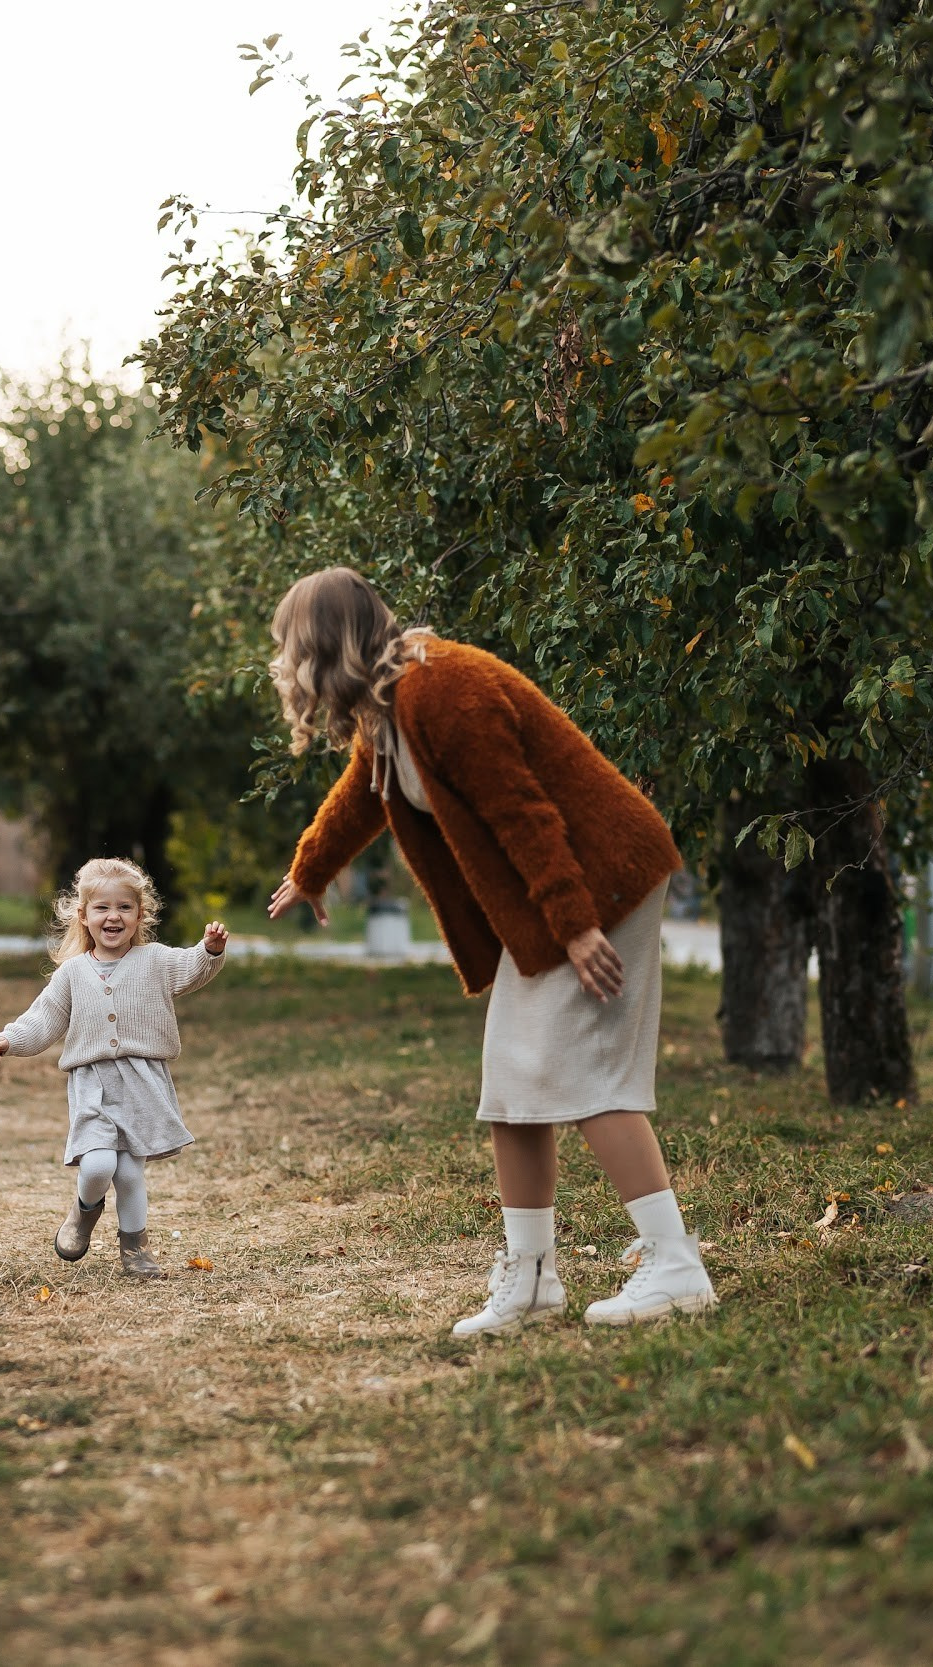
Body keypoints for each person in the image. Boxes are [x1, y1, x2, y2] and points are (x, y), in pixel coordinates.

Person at [265, 567, 717, 1331]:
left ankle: (674, 1263)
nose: (283, 663)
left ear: (324, 646)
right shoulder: (392, 707)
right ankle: (534, 1277)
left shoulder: (443, 689)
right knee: (515, 1078)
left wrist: (575, 926)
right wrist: (309, 870)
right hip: (566, 890)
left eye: (288, 647)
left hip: (603, 877)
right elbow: (361, 794)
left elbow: (524, 812)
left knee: (582, 1070)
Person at [0, 858, 228, 1280]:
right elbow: (44, 1019)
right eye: (102, 908)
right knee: (96, 1166)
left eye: (125, 907)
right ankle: (82, 1213)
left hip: (143, 1083)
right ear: (84, 916)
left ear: (139, 914)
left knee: (129, 1171)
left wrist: (211, 950)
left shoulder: (156, 961)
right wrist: (8, 1039)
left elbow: (191, 968)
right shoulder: (72, 973)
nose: (114, 916)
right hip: (93, 1084)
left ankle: (136, 1250)